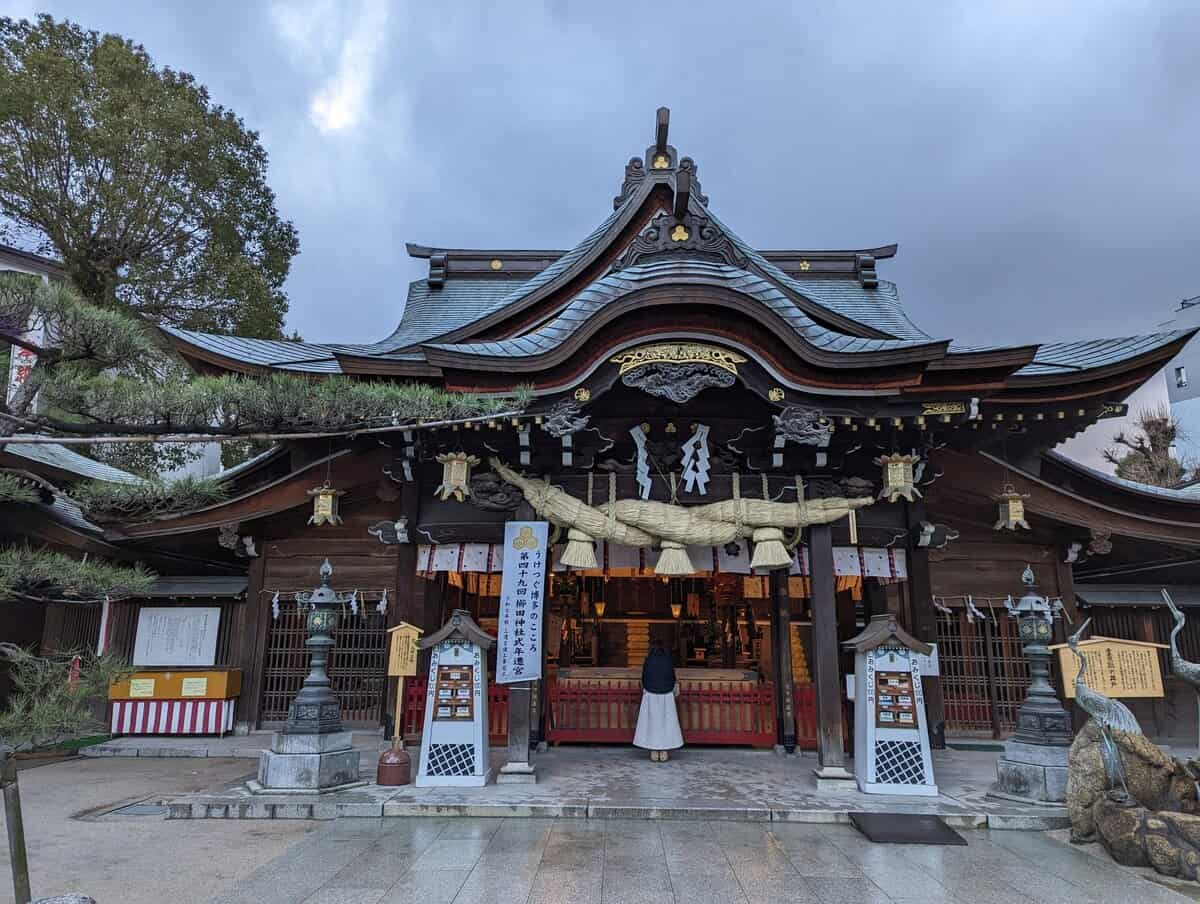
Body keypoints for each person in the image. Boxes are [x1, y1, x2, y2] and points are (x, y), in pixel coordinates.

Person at [633, 640, 683, 761]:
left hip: (651, 695)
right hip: (666, 695)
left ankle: (654, 752)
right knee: (666, 723)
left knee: (652, 723)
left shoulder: (648, 660)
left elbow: (644, 677)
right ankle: (664, 751)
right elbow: (672, 677)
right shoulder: (669, 660)